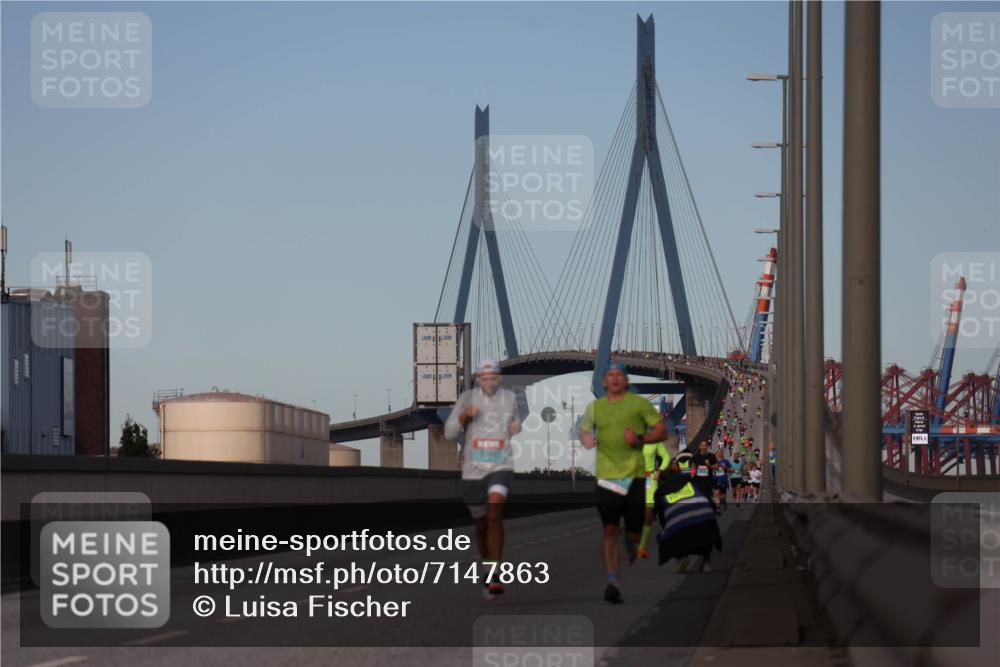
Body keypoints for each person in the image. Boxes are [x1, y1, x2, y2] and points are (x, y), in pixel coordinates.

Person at [580, 363, 668, 604]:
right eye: (610, 375)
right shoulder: (595, 407)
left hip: (636, 477)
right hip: (607, 477)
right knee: (608, 528)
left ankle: (631, 543)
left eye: (620, 375)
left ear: (626, 382)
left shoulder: (639, 405)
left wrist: (640, 437)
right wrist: (587, 438)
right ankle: (612, 581)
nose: (615, 379)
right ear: (604, 383)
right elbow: (585, 430)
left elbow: (662, 431)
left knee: (634, 531)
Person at [444, 359, 521, 599]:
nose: (489, 381)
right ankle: (486, 565)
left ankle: (495, 574)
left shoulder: (509, 398)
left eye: (494, 377)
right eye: (484, 377)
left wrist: (516, 425)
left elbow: (514, 421)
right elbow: (449, 433)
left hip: (501, 464)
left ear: (499, 378)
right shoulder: (467, 398)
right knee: (480, 525)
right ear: (478, 379)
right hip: (473, 470)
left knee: (495, 513)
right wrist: (464, 417)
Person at [654, 459, 723, 573]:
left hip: (680, 528)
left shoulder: (661, 492)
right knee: (707, 522)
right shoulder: (692, 482)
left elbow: (663, 519)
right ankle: (706, 561)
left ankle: (681, 556)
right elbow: (709, 503)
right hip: (706, 523)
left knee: (669, 530)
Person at [638, 434, 674, 559]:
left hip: (650, 480)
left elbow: (666, 457)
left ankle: (642, 546)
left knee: (648, 516)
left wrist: (660, 470)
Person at [690, 440, 718, 513]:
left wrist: (709, 465)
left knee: (707, 494)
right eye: (702, 445)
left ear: (707, 446)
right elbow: (692, 466)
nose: (704, 447)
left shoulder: (711, 456)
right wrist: (692, 475)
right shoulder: (695, 457)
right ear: (699, 447)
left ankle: (710, 508)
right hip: (698, 480)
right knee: (699, 495)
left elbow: (716, 466)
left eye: (705, 445)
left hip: (708, 480)